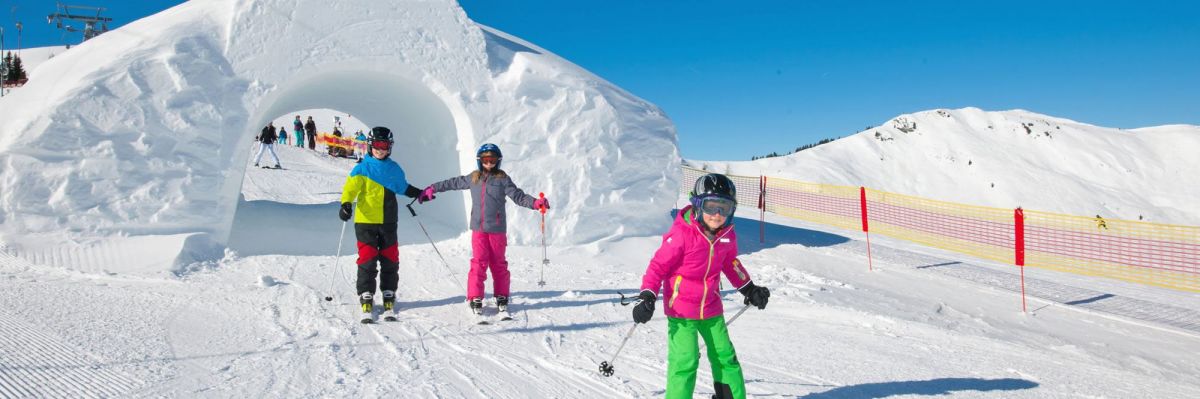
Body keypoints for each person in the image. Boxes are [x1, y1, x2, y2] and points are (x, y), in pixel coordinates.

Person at [631, 173, 771, 399]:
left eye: (724, 208)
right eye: (711, 206)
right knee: (685, 360)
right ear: (697, 205)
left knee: (725, 356)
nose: (717, 215)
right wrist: (647, 295)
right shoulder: (681, 235)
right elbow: (658, 267)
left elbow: (730, 263)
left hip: (711, 308)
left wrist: (749, 288)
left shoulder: (726, 235)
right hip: (681, 310)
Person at [418, 143, 549, 315]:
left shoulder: (503, 179)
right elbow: (452, 183)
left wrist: (534, 203)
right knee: (479, 262)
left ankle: (502, 295)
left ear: (498, 161)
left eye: (493, 160)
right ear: (480, 161)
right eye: (486, 160)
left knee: (498, 263)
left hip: (497, 229)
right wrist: (432, 188)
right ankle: (475, 296)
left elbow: (518, 196)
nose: (489, 163)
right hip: (478, 230)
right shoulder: (474, 178)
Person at [339, 127, 424, 323]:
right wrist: (345, 204)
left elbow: (402, 187)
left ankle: (388, 291)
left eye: (384, 146)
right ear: (370, 145)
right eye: (377, 145)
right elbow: (350, 190)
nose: (380, 149)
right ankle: (366, 293)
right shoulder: (361, 168)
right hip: (365, 221)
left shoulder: (394, 168)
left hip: (388, 220)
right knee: (367, 259)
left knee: (390, 258)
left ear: (390, 147)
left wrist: (419, 193)